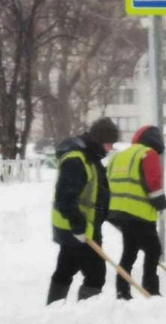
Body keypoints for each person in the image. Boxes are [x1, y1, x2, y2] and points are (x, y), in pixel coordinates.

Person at [46, 117, 119, 305]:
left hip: (85, 228)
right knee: (95, 275)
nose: (110, 149)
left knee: (66, 269)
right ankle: (85, 314)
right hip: (77, 229)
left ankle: (54, 309)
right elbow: (65, 198)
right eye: (108, 144)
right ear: (97, 140)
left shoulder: (91, 157)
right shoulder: (77, 160)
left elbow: (95, 193)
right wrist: (77, 225)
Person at [107, 125, 166, 299]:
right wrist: (161, 206)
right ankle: (151, 290)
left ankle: (122, 291)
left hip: (117, 212)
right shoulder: (148, 154)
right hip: (138, 213)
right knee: (154, 250)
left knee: (130, 251)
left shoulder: (119, 156)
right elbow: (154, 183)